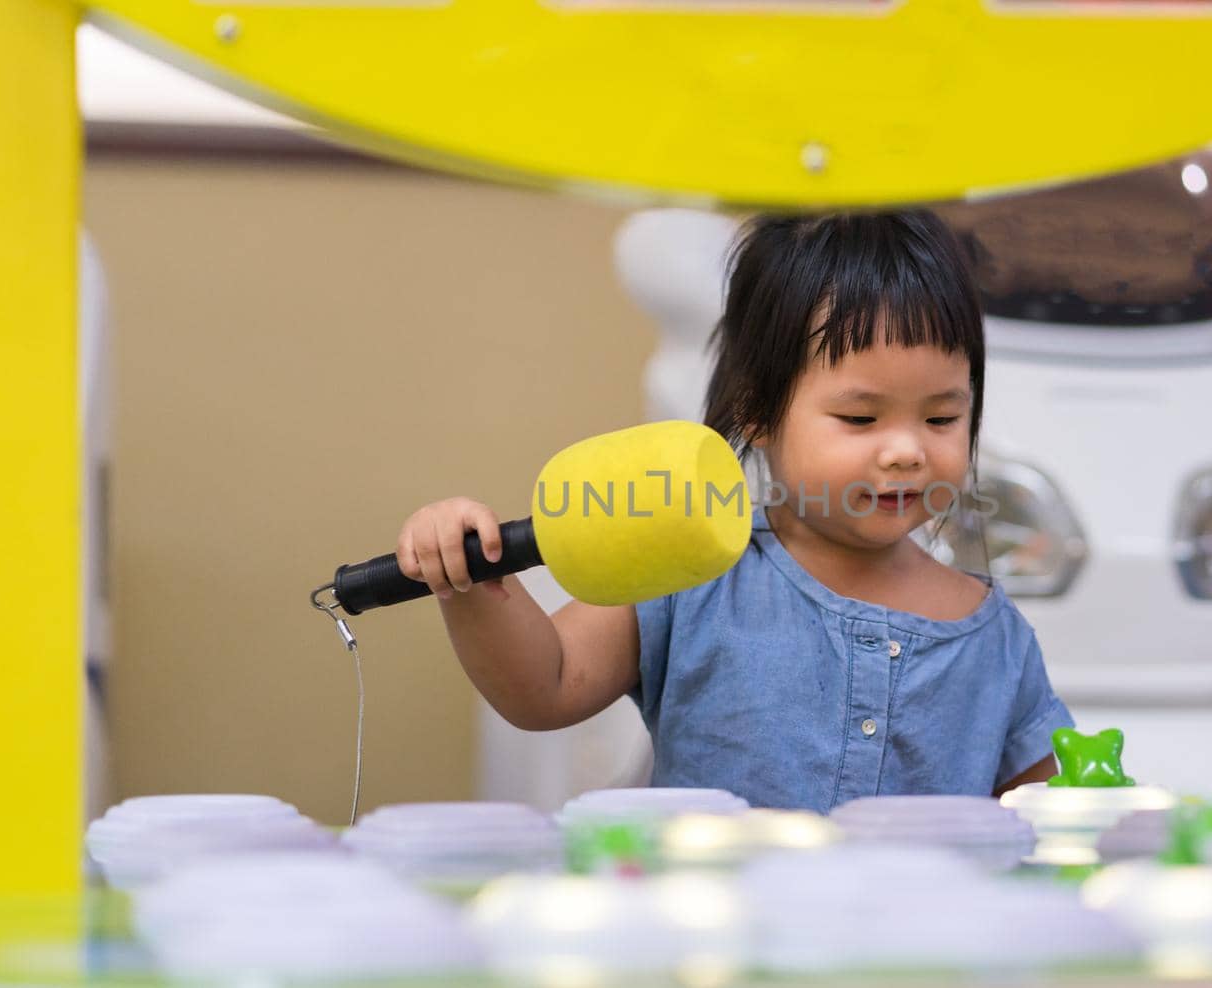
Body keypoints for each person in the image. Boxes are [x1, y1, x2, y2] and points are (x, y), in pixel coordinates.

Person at [396, 210, 1073, 812]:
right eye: (860, 417)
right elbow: (544, 687)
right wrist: (474, 586)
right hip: (710, 943)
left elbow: (1052, 812)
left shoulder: (995, 637)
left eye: (942, 416)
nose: (907, 450)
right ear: (757, 408)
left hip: (911, 952)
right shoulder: (687, 567)